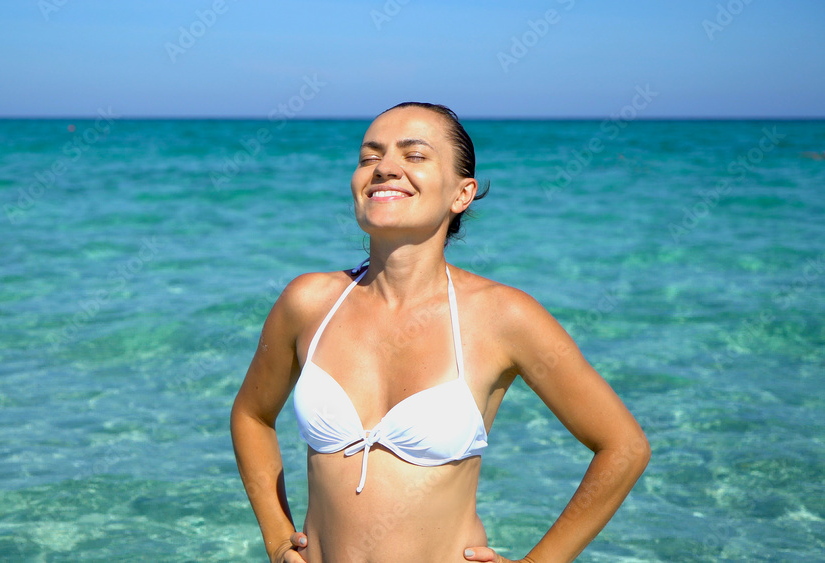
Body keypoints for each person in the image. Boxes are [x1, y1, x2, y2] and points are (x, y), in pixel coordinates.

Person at [230, 102, 650, 563]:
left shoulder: (503, 317)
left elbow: (623, 448)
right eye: (370, 157)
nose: (385, 168)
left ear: (461, 194)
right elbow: (252, 416)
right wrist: (276, 539)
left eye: (414, 156)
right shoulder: (309, 302)